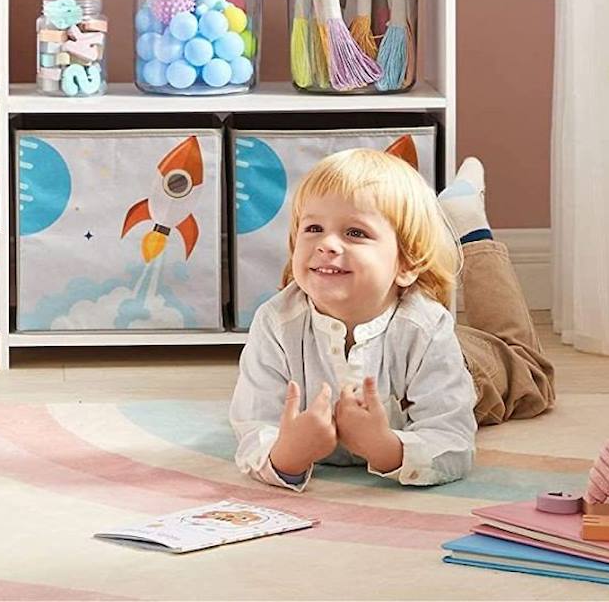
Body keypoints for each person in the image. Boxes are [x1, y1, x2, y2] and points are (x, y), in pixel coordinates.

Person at [230, 149, 554, 489]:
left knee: (531, 373)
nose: (326, 243)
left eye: (355, 232)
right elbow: (253, 425)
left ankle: (468, 227)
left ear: (406, 264)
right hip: (407, 349)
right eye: (313, 227)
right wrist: (287, 455)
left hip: (468, 367)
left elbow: (452, 441)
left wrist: (384, 447)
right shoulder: (275, 322)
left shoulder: (428, 330)